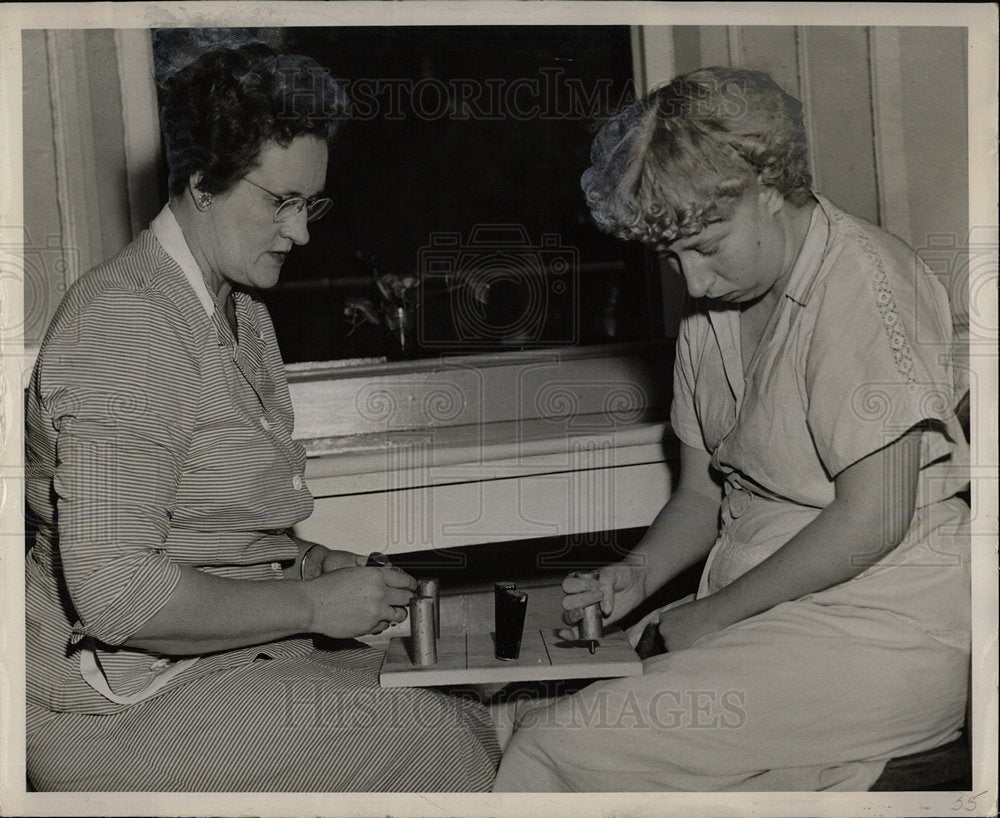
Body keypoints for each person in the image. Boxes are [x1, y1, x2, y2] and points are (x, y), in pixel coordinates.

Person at [25, 43, 499, 792]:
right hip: (117, 706)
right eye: (280, 201)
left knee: (469, 699)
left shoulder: (241, 311)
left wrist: (310, 565)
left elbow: (210, 530)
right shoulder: (127, 322)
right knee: (434, 744)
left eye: (311, 203)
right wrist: (312, 602)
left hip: (213, 666)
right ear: (200, 181)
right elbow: (116, 592)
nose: (302, 233)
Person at [493, 67, 970, 792]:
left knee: (557, 749)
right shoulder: (715, 311)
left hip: (880, 628)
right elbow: (700, 498)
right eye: (672, 257)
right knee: (522, 718)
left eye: (708, 247)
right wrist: (637, 575)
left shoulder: (867, 286)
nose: (694, 283)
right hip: (767, 613)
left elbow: (873, 517)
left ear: (772, 186)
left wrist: (711, 617)